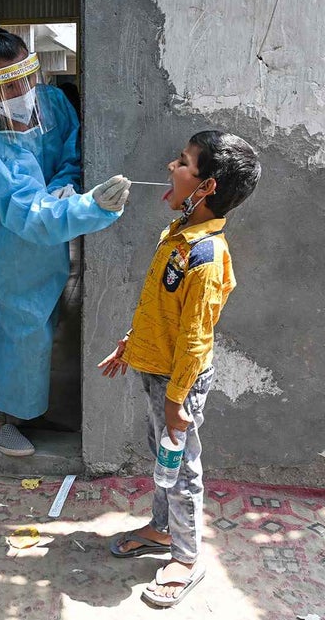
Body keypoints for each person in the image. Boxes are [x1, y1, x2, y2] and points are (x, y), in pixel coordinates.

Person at [100, 131, 261, 608]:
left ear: (206, 186)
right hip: (159, 373)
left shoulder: (206, 258)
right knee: (164, 458)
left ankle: (187, 559)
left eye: (184, 162)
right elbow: (160, 307)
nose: (171, 167)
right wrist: (130, 343)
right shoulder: (177, 234)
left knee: (182, 466)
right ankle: (162, 528)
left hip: (179, 384)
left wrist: (175, 403)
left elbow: (195, 339)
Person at [0, 27, 130, 456]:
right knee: (20, 336)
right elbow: (30, 216)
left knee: (44, 332)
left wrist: (63, 185)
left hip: (49, 245)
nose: (22, 91)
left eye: (26, 77)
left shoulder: (51, 102)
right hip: (11, 256)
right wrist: (92, 207)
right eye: (7, 85)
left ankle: (24, 409)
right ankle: (0, 421)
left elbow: (71, 150)